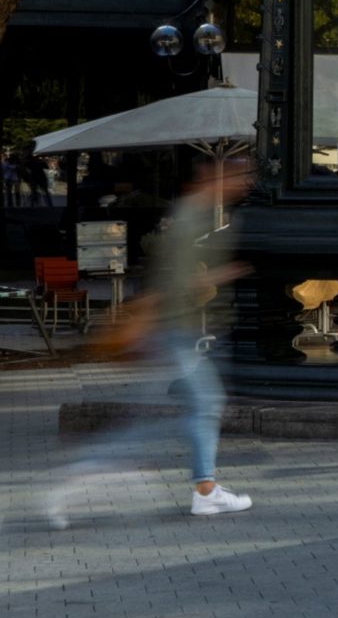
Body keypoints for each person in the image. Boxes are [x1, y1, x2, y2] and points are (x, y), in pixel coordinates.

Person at [48, 157, 255, 525]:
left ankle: (204, 488)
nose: (244, 183)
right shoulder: (192, 218)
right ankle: (85, 475)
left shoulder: (196, 214)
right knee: (190, 411)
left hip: (178, 330)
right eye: (238, 176)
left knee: (196, 409)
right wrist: (221, 275)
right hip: (178, 330)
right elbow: (174, 282)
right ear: (213, 177)